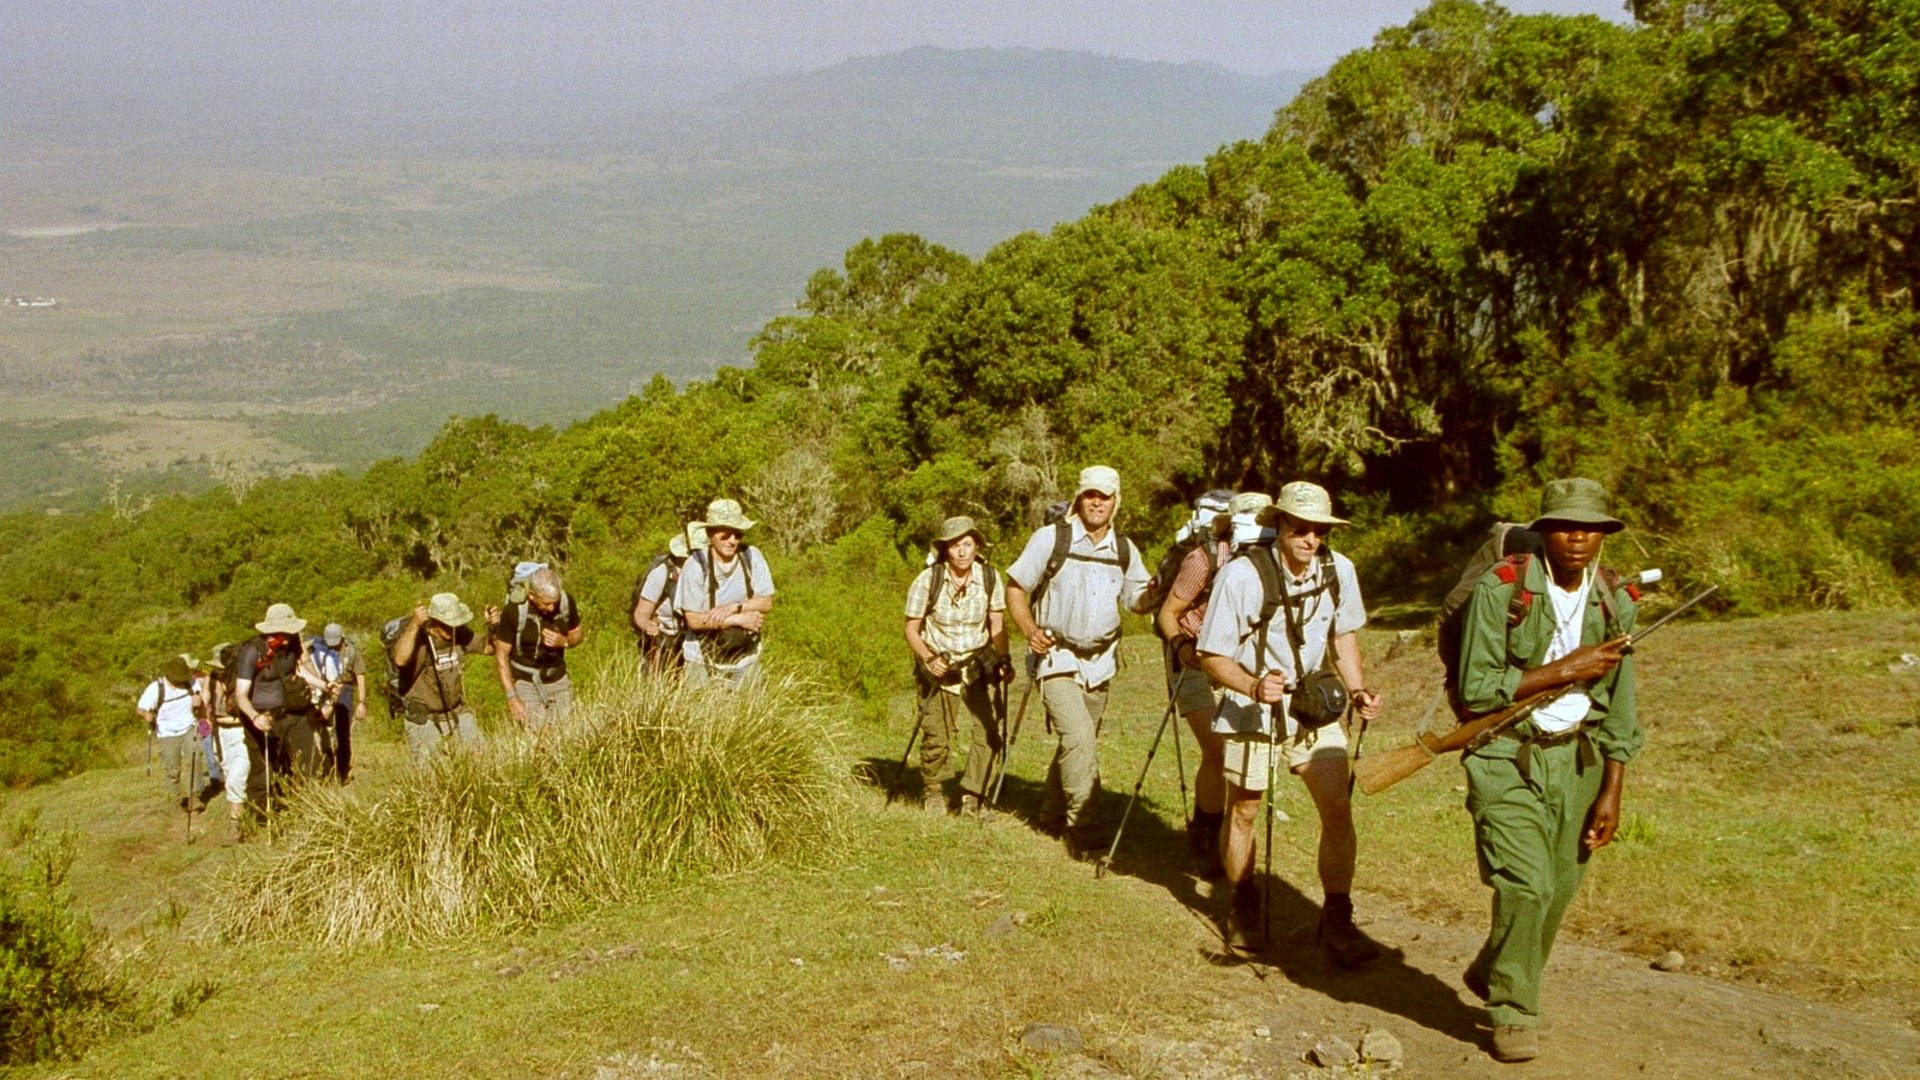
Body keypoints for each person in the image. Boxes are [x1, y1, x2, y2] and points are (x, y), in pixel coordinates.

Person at [1454, 478, 1640, 1064]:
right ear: (1543, 532)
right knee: (1525, 884)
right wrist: (1565, 667)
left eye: (1591, 528)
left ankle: (1495, 967)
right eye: (1564, 526)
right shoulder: (1502, 589)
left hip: (1579, 759)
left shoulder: (1615, 599)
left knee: (1556, 891)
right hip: (1505, 752)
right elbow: (1476, 690)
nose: (1578, 538)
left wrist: (1611, 789)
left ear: (1605, 535)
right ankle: (1514, 1011)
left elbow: (1622, 703)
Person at [1195, 481, 1383, 966]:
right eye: (1300, 528)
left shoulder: (1339, 571)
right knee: (1245, 810)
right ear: (1279, 524)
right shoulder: (1241, 576)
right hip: (1250, 702)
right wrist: (1253, 686)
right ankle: (1242, 907)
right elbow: (1211, 654)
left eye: (1318, 530)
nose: (1310, 539)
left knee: (1338, 808)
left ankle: (1338, 918)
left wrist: (1358, 687)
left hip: (1312, 705)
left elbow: (1343, 635)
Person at [1004, 465, 1151, 860]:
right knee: (1080, 738)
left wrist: (1157, 591)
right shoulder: (1050, 539)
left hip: (1101, 660)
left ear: (1116, 502)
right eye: (1090, 494)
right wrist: (1029, 629)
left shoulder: (1124, 549)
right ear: (1078, 497)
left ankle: (1051, 816)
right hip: (1056, 655)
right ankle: (1084, 831)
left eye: (1105, 496)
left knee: (1077, 741)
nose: (1097, 502)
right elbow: (1016, 588)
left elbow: (1137, 601)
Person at [1157, 490, 1271, 877]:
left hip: (1236, 666)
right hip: (1192, 661)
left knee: (1236, 755)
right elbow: (1168, 612)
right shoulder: (1202, 558)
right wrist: (1180, 643)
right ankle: (1205, 838)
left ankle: (1227, 838)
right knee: (1216, 748)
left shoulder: (1268, 559)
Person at [903, 516, 1013, 815]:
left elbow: (997, 622)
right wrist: (928, 658)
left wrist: (1004, 658)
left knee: (989, 731)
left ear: (977, 545)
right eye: (955, 545)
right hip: (939, 662)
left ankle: (973, 793)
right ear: (945, 550)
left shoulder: (990, 577)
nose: (962, 552)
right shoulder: (928, 579)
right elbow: (911, 629)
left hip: (979, 661)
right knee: (936, 734)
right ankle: (935, 790)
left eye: (967, 544)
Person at [233, 604, 330, 806]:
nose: (287, 637)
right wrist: (255, 717)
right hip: (262, 717)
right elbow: (241, 695)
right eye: (282, 632)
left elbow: (299, 670)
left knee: (309, 761)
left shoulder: (293, 644)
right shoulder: (252, 651)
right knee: (265, 772)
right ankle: (261, 818)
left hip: (292, 713)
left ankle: (310, 810)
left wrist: (325, 685)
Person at [677, 499, 776, 690]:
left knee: (749, 714)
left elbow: (766, 602)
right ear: (710, 534)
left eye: (737, 534)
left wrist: (734, 606)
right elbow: (694, 620)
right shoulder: (695, 566)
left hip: (745, 656)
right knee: (700, 716)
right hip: (700, 658)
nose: (732, 541)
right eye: (725, 535)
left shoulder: (752, 556)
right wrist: (738, 619)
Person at [389, 592, 496, 763]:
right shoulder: (420, 639)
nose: (451, 630)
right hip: (424, 718)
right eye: (447, 625)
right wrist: (415, 624)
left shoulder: (459, 634)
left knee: (483, 758)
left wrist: (493, 627)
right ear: (434, 621)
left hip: (456, 711)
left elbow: (489, 648)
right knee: (432, 773)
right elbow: (400, 660)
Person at [493, 566, 584, 729]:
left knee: (566, 732)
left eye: (554, 603)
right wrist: (512, 698)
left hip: (558, 679)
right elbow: (501, 656)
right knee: (538, 734)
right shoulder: (514, 611)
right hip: (525, 681)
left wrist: (564, 641)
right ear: (532, 596)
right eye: (546, 603)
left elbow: (577, 633)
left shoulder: (565, 602)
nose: (551, 608)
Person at [633, 525, 703, 677]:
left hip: (693, 640)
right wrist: (648, 626)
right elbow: (640, 613)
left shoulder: (705, 573)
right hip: (663, 640)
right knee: (659, 684)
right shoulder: (662, 574)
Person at [136, 654, 203, 811]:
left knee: (195, 759)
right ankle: (175, 801)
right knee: (173, 769)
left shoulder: (191, 682)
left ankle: (195, 796)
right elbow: (140, 709)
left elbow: (199, 697)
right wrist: (146, 715)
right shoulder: (156, 688)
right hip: (166, 732)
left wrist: (198, 702)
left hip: (189, 727)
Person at [309, 623, 368, 783]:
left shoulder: (352, 651)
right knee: (323, 731)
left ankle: (342, 772)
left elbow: (360, 676)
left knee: (343, 733)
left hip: (345, 689)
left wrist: (362, 702)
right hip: (324, 689)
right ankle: (324, 770)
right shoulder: (319, 649)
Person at [205, 643, 252, 841]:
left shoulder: (243, 682)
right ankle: (238, 816)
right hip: (221, 734)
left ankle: (236, 826)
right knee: (229, 776)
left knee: (235, 778)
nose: (219, 671)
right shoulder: (212, 681)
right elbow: (206, 708)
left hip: (241, 732)